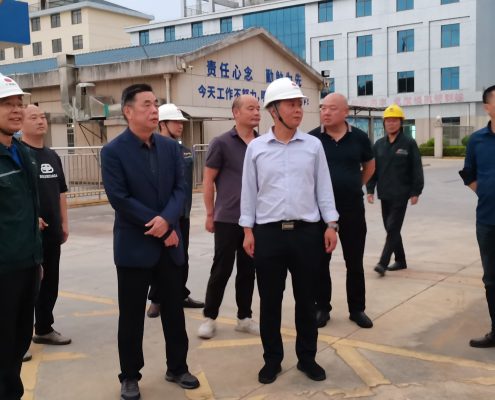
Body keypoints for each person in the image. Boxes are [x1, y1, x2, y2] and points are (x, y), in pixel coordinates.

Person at [101, 83, 199, 400]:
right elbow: (120, 198)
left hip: (169, 245)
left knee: (174, 311)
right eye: (146, 104)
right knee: (131, 317)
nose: (154, 110)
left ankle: (178, 367)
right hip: (135, 247)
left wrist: (167, 221)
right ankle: (130, 376)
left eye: (155, 103)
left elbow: (181, 189)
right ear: (128, 111)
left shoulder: (171, 148)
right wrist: (159, 225)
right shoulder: (113, 152)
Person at [240, 77, 339, 384]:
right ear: (274, 111)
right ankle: (272, 360)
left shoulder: (313, 146)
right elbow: (248, 192)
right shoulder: (256, 148)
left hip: (307, 233)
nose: (298, 110)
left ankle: (307, 358)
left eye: (299, 104)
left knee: (306, 301)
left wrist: (331, 224)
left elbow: (324, 187)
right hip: (268, 234)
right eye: (291, 104)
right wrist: (247, 231)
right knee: (270, 302)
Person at [308, 93, 375, 329]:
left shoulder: (359, 138)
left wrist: (355, 185)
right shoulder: (312, 139)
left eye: (332, 108)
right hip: (320, 213)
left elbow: (369, 165)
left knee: (354, 261)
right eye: (323, 108)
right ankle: (321, 308)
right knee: (320, 262)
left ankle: (357, 309)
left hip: (352, 209)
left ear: (345, 112)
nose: (325, 112)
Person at [198, 95, 260, 339]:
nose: (256, 112)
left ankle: (244, 318)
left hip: (255, 220)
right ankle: (209, 317)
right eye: (250, 108)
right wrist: (209, 213)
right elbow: (208, 180)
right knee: (221, 269)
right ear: (236, 113)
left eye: (258, 108)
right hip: (227, 218)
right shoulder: (221, 143)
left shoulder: (263, 143)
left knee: (248, 271)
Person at [0, 74, 42, 399]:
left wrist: (37, 259)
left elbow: (31, 210)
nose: (16, 110)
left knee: (19, 343)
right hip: (3, 270)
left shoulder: (22, 152)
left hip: (26, 266)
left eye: (19, 103)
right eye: (7, 104)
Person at [146, 103, 204, 319]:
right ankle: (157, 299)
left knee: (182, 257)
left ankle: (180, 294)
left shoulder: (186, 151)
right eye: (175, 122)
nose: (180, 126)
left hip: (182, 213)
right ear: (162, 124)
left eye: (181, 122)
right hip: (161, 216)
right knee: (159, 257)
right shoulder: (152, 151)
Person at [21, 105, 71, 347]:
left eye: (42, 117)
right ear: (21, 123)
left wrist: (64, 222)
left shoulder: (52, 156)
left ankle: (43, 328)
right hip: (26, 234)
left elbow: (61, 192)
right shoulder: (18, 154)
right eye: (33, 117)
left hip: (52, 232)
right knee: (24, 287)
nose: (40, 121)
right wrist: (30, 217)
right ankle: (18, 342)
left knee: (50, 283)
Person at [366, 104, 424, 277]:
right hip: (385, 193)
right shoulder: (379, 145)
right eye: (388, 121)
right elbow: (373, 169)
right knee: (390, 228)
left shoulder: (409, 143)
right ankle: (401, 260)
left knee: (392, 228)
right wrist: (370, 189)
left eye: (394, 120)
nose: (391, 124)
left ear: (401, 123)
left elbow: (416, 168)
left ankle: (382, 263)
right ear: (384, 123)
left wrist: (416, 191)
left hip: (401, 193)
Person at [460, 85, 495, 348]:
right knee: (491, 279)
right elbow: (468, 173)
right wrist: (484, 192)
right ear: (487, 107)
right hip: (487, 220)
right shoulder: (477, 140)